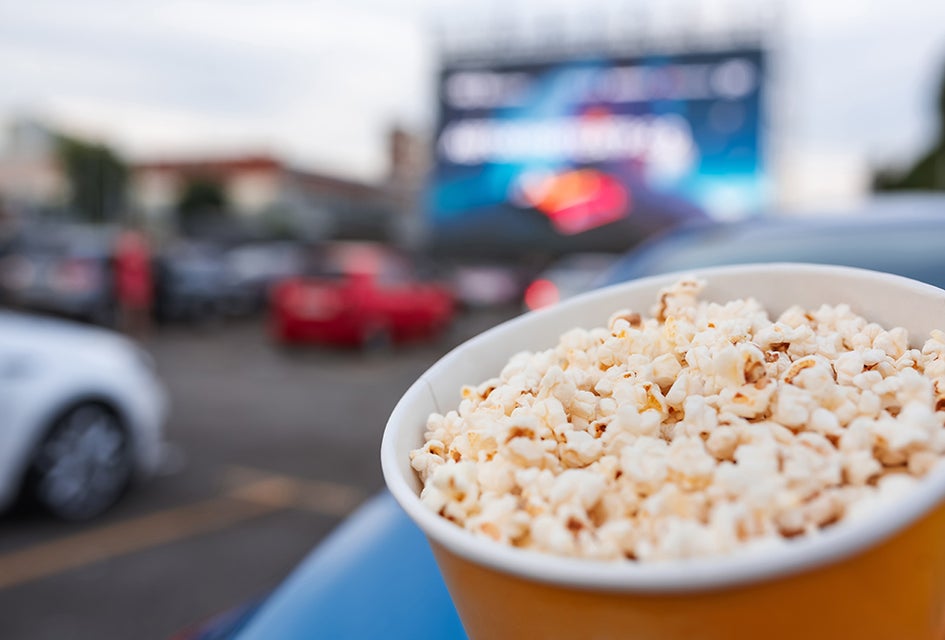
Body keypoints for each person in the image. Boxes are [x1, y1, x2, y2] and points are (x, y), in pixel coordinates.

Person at [114, 229, 153, 338]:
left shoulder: (142, 253)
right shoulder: (124, 254)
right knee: (127, 311)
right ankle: (128, 332)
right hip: (127, 286)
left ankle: (141, 331)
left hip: (140, 286)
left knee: (141, 311)